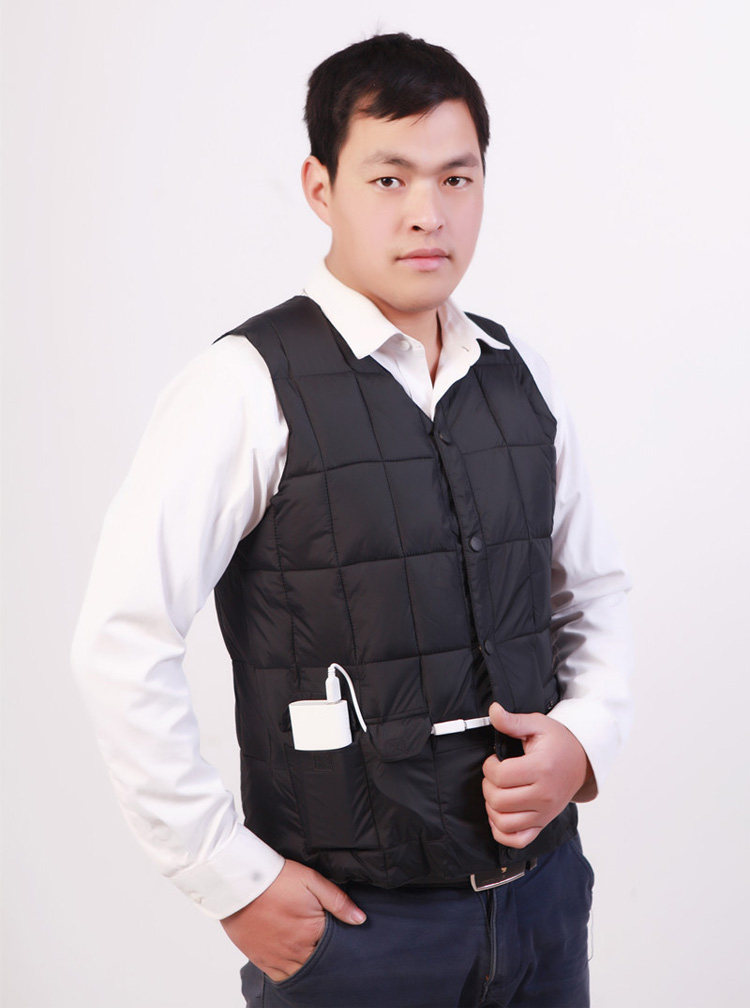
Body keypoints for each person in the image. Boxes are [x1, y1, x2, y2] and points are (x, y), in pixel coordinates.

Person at [71, 31, 633, 1008]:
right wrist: (229, 879)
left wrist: (583, 740)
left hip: (544, 908)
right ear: (320, 188)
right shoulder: (242, 386)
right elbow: (120, 641)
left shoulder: (523, 375)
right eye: (389, 179)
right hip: (357, 935)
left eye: (456, 179)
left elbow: (593, 594)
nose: (428, 212)